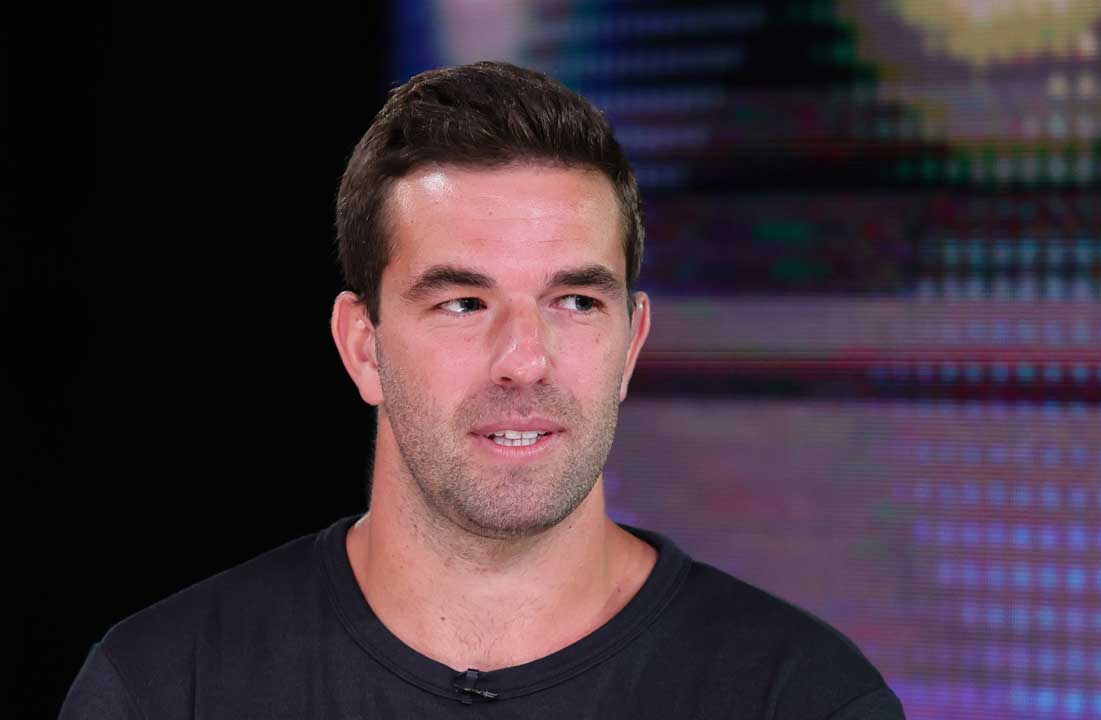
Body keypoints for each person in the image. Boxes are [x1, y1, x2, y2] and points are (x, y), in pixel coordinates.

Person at [60, 61, 905, 719]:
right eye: (463, 303)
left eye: (575, 301)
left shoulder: (803, 700)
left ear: (631, 343)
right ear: (363, 346)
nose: (524, 361)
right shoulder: (168, 689)